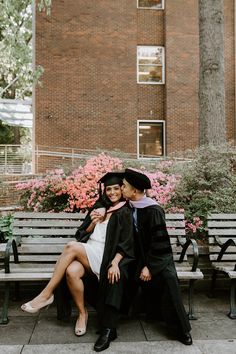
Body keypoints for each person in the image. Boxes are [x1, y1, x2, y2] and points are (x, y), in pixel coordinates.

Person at [21, 172, 134, 352]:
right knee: (72, 272)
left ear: (122, 189)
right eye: (108, 189)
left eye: (115, 188)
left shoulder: (126, 212)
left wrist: (114, 262)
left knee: (71, 247)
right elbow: (81, 234)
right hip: (89, 250)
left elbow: (127, 243)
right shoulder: (99, 207)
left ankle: (46, 294)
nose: (112, 192)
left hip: (104, 256)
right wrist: (94, 223)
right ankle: (82, 314)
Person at [121, 168, 193, 346]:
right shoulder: (131, 208)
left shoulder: (152, 210)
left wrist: (150, 267)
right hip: (139, 258)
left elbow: (161, 244)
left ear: (135, 191)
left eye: (123, 186)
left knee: (168, 280)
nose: (121, 189)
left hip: (159, 258)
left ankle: (182, 331)